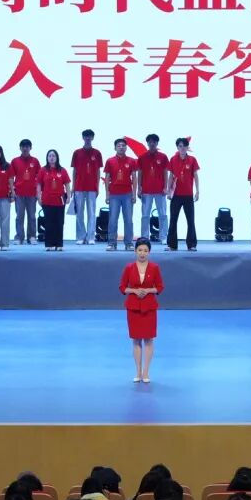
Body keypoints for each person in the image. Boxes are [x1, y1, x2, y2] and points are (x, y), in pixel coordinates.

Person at [120, 237, 164, 383]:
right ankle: (138, 372)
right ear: (135, 251)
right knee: (136, 340)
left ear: (149, 252)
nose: (142, 253)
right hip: (133, 308)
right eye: (140, 250)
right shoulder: (129, 268)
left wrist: (148, 290)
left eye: (145, 250)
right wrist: (134, 291)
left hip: (149, 307)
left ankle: (146, 372)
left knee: (149, 339)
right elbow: (122, 287)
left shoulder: (154, 268)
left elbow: (160, 287)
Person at [166, 137, 200, 252]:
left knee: (190, 220)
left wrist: (197, 191)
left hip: (188, 195)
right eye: (180, 146)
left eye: (184, 146)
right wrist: (168, 190)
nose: (182, 148)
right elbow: (170, 176)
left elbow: (196, 176)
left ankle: (192, 245)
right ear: (177, 147)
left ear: (187, 147)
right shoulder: (173, 159)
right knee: (173, 219)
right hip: (176, 194)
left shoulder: (192, 160)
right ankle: (172, 245)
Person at [104, 138, 138, 251]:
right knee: (113, 219)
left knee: (128, 220)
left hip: (127, 194)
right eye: (119, 145)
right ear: (115, 148)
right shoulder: (110, 161)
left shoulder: (132, 161)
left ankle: (129, 243)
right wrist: (107, 195)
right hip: (114, 195)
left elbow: (134, 178)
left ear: (126, 148)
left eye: (123, 145)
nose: (121, 147)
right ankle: (112, 243)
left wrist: (134, 194)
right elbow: (107, 178)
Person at [71, 129, 104, 245]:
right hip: (79, 187)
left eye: (90, 136)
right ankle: (81, 236)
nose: (88, 138)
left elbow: (98, 172)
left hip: (92, 188)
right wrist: (73, 187)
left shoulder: (97, 153)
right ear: (83, 138)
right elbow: (74, 171)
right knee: (79, 213)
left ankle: (90, 237)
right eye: (86, 136)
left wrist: (97, 187)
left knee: (92, 213)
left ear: (92, 138)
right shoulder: (77, 153)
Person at [138, 134, 169, 245]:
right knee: (145, 215)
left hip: (160, 191)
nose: (152, 144)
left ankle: (163, 237)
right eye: (150, 142)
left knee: (163, 215)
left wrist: (166, 187)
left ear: (157, 143)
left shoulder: (163, 157)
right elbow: (140, 173)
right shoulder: (142, 157)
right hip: (146, 191)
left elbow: (166, 172)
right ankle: (145, 237)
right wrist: (139, 188)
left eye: (154, 142)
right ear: (147, 143)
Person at [38, 149, 71, 252]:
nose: (51, 158)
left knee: (59, 223)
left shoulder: (62, 170)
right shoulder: (43, 170)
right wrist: (38, 197)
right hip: (47, 200)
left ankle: (59, 244)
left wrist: (69, 196)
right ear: (47, 158)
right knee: (49, 223)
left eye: (53, 156)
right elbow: (38, 184)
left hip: (60, 201)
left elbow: (67, 184)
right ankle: (49, 244)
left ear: (57, 158)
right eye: (50, 156)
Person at [11, 139, 41, 245]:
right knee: (19, 216)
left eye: (27, 146)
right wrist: (12, 191)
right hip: (19, 193)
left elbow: (40, 177)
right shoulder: (15, 161)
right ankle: (19, 237)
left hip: (32, 193)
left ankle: (32, 236)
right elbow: (11, 177)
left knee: (32, 216)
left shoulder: (35, 161)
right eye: (23, 146)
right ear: (20, 148)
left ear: (30, 148)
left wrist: (39, 192)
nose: (25, 148)